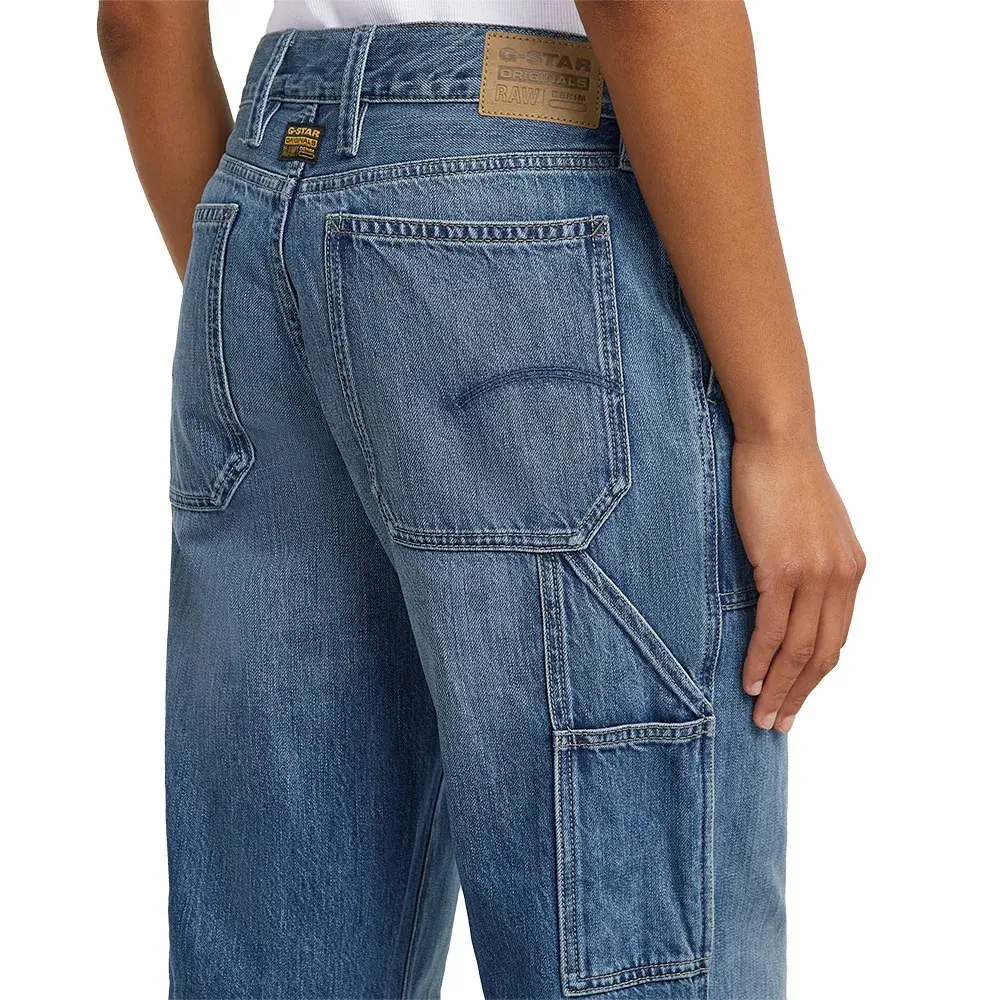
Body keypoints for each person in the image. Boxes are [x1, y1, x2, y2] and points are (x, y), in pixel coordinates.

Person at [99, 2, 865, 998]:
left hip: (260, 194)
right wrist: (779, 430)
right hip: (518, 203)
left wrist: (301, 322)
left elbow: (138, 24)